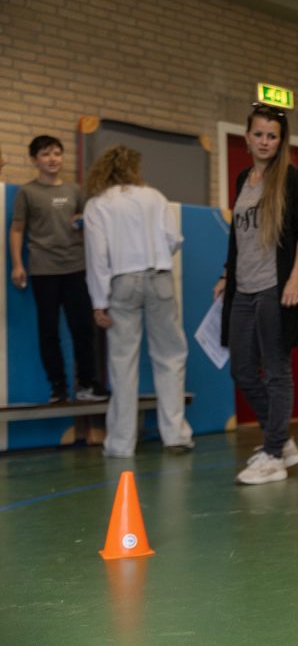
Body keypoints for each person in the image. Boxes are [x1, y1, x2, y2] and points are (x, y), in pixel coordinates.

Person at [213, 104, 298, 485]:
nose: (265, 141)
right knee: (241, 368)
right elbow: (238, 237)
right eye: (259, 134)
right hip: (243, 288)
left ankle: (273, 455)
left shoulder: (292, 180)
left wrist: (296, 278)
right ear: (248, 137)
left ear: (280, 140)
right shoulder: (243, 178)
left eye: (272, 135)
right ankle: (282, 439)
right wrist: (227, 274)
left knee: (276, 370)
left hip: (277, 288)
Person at [83, 145, 194, 457]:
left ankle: (121, 444)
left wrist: (99, 301)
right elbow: (174, 240)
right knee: (170, 357)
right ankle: (176, 436)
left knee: (122, 363)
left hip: (122, 282)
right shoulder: (155, 197)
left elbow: (98, 257)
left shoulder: (97, 205)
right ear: (135, 168)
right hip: (158, 277)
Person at [9, 135, 108, 403]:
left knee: (83, 328)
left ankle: (87, 384)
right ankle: (58, 387)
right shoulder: (27, 192)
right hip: (44, 271)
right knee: (48, 330)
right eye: (45, 154)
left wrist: (83, 219)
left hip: (76, 268)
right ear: (34, 160)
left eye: (56, 153)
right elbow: (17, 228)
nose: (52, 159)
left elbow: (92, 222)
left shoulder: (76, 191)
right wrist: (18, 264)